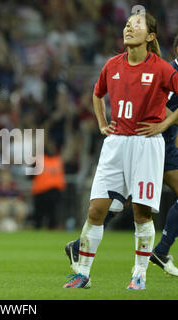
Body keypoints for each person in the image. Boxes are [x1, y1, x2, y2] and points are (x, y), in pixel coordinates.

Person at [63, 12, 178, 290]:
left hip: (146, 145)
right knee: (96, 210)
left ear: (150, 36)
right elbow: (97, 93)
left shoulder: (161, 68)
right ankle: (83, 274)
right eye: (127, 24)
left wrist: (164, 124)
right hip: (115, 143)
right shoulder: (112, 64)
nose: (129, 28)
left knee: (142, 213)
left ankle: (139, 274)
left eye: (136, 25)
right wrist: (102, 123)